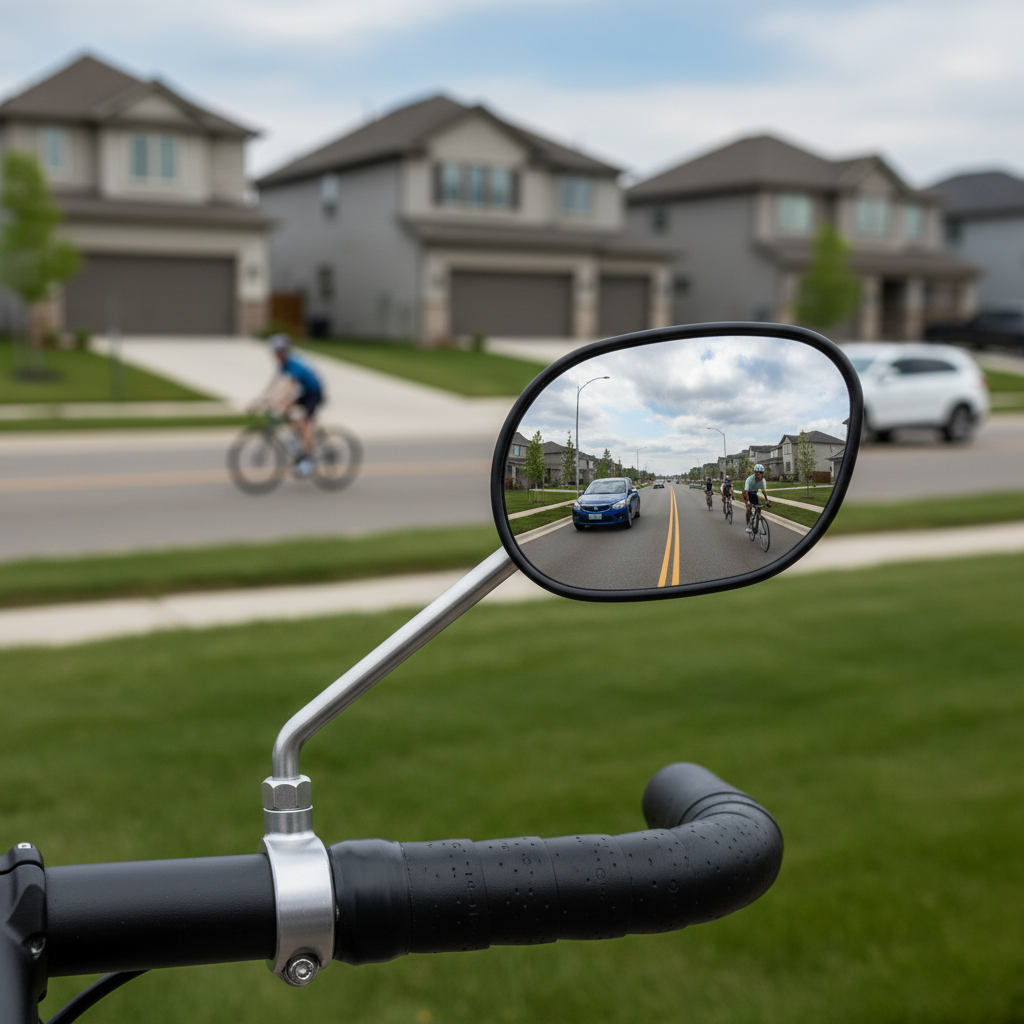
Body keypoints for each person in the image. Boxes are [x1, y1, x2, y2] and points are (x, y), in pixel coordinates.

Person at [252, 334, 325, 476]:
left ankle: (308, 460)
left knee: (304, 422)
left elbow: (290, 387)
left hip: (315, 393)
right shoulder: (283, 364)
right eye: (274, 352)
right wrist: (261, 398)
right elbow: (274, 383)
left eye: (277, 352)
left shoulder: (294, 364)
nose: (275, 355)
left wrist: (280, 402)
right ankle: (299, 437)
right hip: (306, 391)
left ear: (284, 351)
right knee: (287, 413)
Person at [743, 464, 771, 534]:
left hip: (754, 494)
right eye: (756, 472)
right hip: (747, 493)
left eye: (760, 473)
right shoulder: (749, 479)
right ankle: (748, 525)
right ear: (754, 473)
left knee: (758, 509)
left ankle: (756, 526)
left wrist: (766, 500)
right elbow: (746, 492)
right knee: (749, 508)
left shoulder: (763, 481)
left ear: (762, 473)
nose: (758, 474)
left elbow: (763, 491)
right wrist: (748, 502)